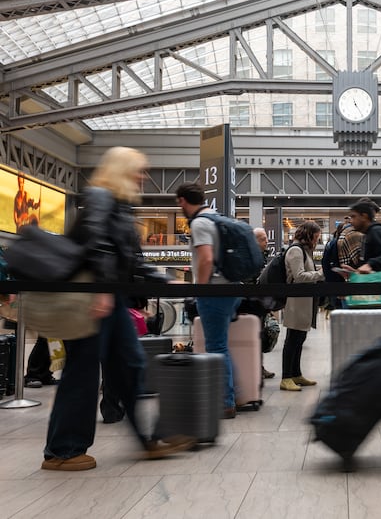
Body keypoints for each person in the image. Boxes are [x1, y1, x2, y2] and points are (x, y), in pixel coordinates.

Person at [42, 147, 195, 472]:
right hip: (94, 300)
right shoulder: (100, 197)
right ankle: (62, 451)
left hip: (111, 299)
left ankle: (149, 439)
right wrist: (101, 289)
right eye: (139, 170)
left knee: (130, 366)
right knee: (83, 373)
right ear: (122, 170)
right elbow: (95, 243)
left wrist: (162, 279)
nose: (144, 176)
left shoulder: (121, 206)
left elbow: (132, 259)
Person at [176, 182, 242, 419]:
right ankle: (233, 395)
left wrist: (199, 291)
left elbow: (205, 259)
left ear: (183, 200)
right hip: (231, 289)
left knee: (217, 347)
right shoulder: (217, 217)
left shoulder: (201, 223)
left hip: (214, 291)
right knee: (222, 345)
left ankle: (226, 402)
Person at [279, 220, 324, 391]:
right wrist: (320, 274)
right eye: (316, 236)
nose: (317, 240)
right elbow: (298, 276)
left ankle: (296, 373)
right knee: (292, 339)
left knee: (299, 338)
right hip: (296, 301)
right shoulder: (296, 251)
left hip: (303, 300)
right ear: (308, 234)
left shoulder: (303, 251)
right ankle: (286, 377)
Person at [236, 227, 276, 380]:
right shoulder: (249, 258)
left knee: (258, 336)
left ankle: (258, 367)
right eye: (263, 239)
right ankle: (254, 368)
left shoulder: (259, 256)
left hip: (258, 304)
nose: (267, 242)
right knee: (253, 337)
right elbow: (249, 282)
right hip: (251, 304)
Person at [346, 198, 381, 280]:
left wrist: (370, 264)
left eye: (354, 217)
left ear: (364, 216)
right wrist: (355, 270)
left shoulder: (376, 231)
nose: (351, 221)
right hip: (375, 284)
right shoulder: (367, 233)